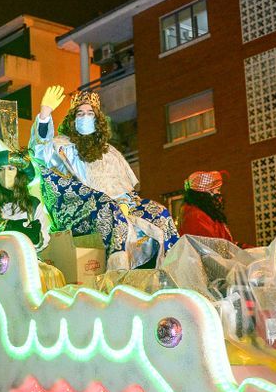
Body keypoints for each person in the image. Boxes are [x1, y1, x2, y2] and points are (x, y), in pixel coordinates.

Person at [30, 85, 178, 267]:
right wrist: (45, 113)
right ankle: (117, 271)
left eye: (90, 113)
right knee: (109, 209)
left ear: (97, 119)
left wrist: (124, 202)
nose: (85, 117)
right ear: (72, 119)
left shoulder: (110, 152)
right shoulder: (63, 146)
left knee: (159, 212)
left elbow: (124, 188)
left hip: (119, 207)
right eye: (80, 114)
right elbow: (39, 152)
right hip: (80, 211)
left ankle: (170, 269)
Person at [0, 149, 52, 251]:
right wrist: (8, 226)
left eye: (11, 168)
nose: (5, 173)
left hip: (25, 260)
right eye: (1, 169)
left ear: (19, 174)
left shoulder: (33, 203)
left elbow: (44, 238)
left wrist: (34, 238)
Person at [178, 170, 237, 243]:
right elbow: (210, 246)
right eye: (217, 190)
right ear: (206, 193)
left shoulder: (207, 213)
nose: (220, 194)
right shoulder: (196, 216)